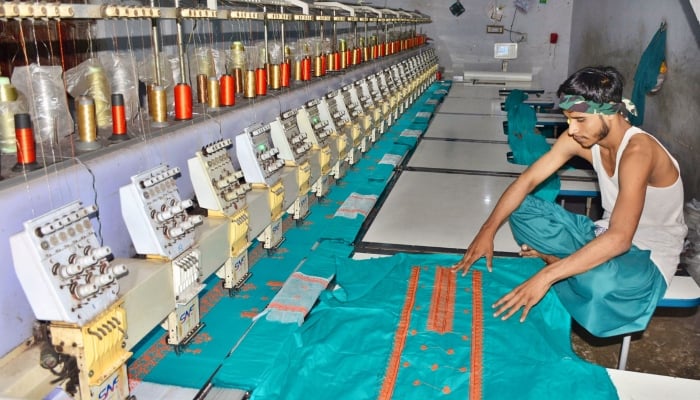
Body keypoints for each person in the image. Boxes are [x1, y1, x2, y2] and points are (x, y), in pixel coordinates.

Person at [452, 66, 687, 337]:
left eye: (579, 120)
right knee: (522, 209)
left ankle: (556, 264)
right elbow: (525, 182)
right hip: (603, 233)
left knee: (601, 285)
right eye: (568, 120)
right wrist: (487, 231)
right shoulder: (581, 138)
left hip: (646, 255)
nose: (572, 129)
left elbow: (622, 239)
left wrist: (545, 277)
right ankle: (567, 265)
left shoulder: (639, 151)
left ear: (609, 110)